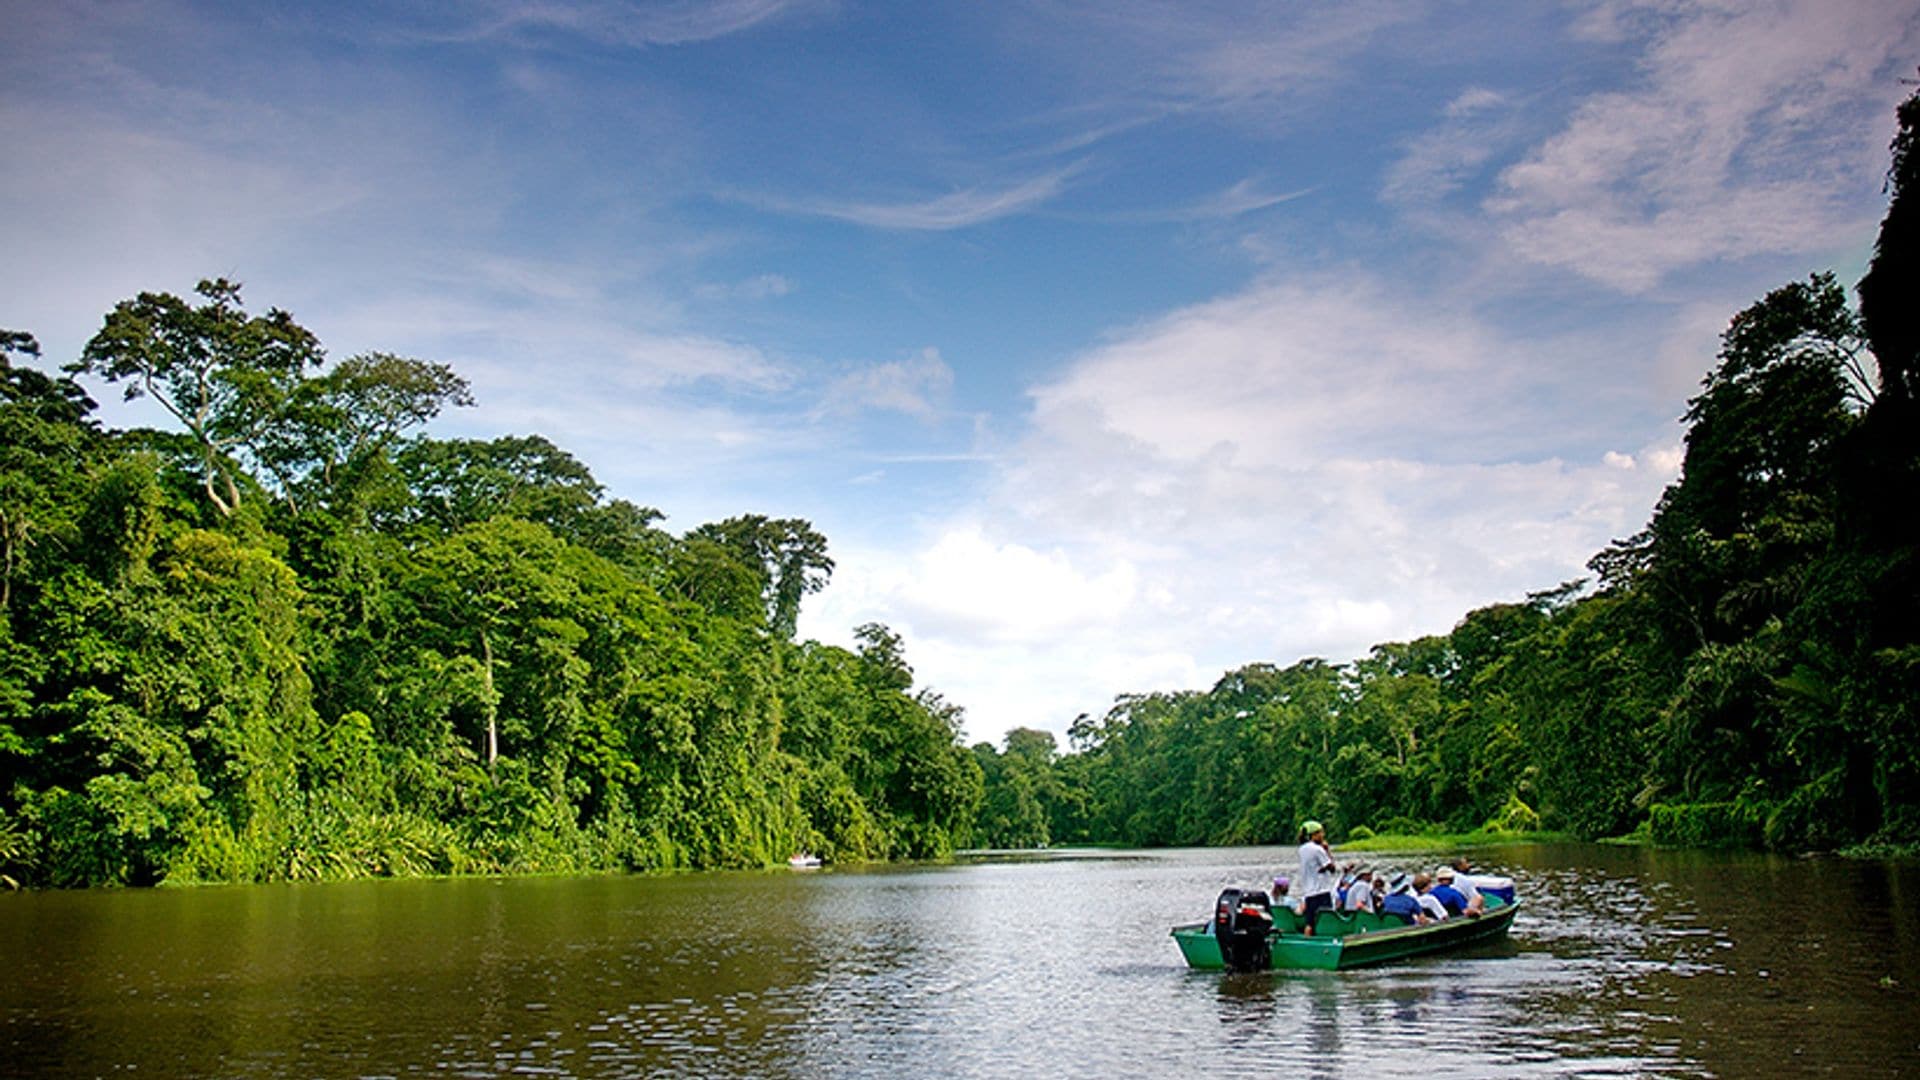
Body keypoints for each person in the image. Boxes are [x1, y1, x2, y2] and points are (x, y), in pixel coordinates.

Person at [1295, 819, 1338, 934]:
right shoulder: (1318, 849)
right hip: (1321, 891)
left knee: (1309, 923)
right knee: (1325, 920)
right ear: (1313, 835)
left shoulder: (1302, 849)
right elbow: (1332, 868)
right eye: (1320, 832)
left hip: (1309, 892)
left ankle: (1306, 944)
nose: (1323, 836)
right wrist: (1327, 850)